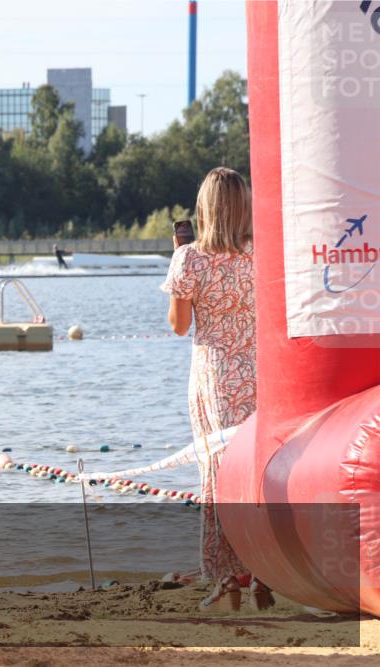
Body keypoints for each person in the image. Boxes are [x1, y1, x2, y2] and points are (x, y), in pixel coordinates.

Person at [160, 167, 270, 611]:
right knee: (258, 475)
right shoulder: (260, 252)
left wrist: (179, 261)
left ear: (205, 208)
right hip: (261, 375)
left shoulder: (190, 258)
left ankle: (226, 578)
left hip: (216, 378)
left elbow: (179, 325)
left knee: (217, 478)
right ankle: (266, 570)